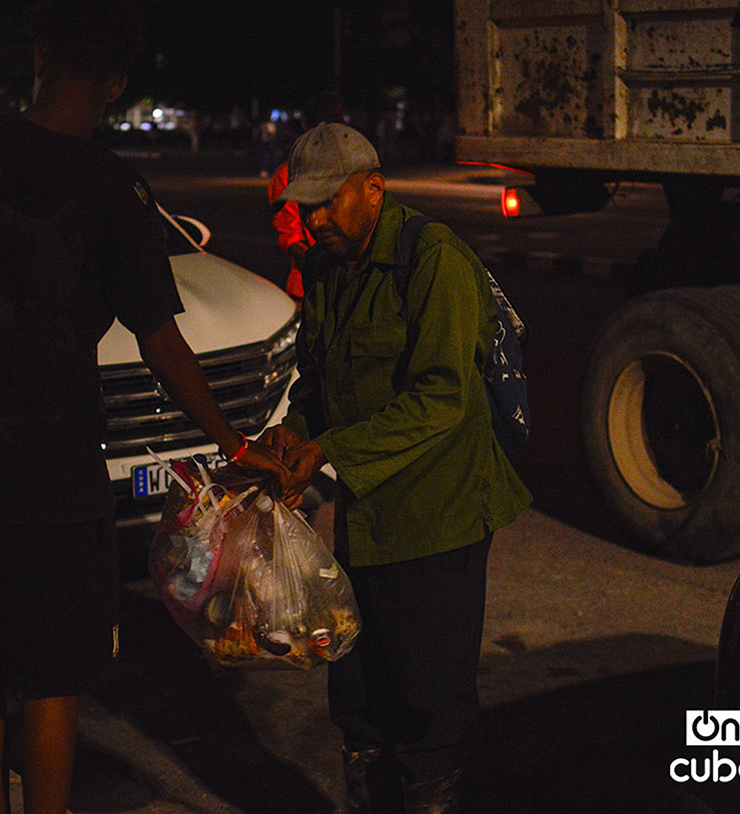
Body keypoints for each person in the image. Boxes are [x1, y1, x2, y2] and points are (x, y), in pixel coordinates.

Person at [0, 3, 289, 814]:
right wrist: (230, 440)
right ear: (116, 80)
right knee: (51, 681)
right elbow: (161, 342)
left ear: (38, 53)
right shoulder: (112, 187)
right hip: (56, 471)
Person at [261, 124, 532, 814]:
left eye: (328, 202)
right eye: (305, 205)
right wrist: (290, 442)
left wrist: (329, 453)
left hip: (439, 514)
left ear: (373, 188)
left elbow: (443, 397)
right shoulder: (326, 269)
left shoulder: (433, 259)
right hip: (368, 516)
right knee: (358, 693)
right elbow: (317, 386)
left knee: (427, 702)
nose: (314, 218)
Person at [267, 92, 345, 302]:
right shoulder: (288, 175)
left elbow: (290, 238)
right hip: (311, 289)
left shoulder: (353, 172)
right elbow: (292, 240)